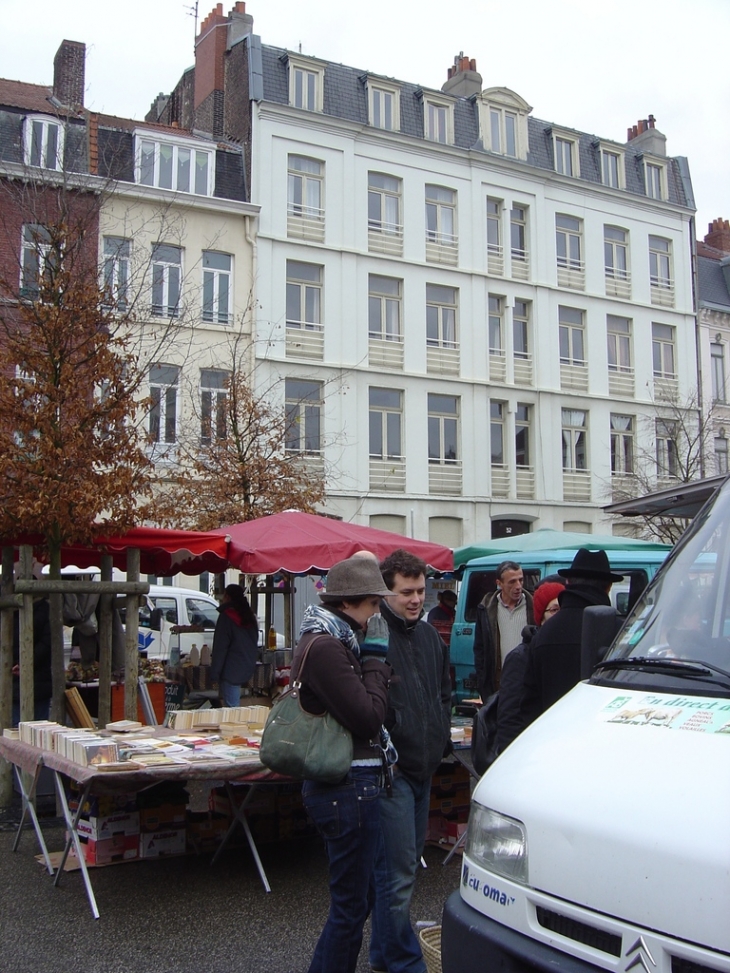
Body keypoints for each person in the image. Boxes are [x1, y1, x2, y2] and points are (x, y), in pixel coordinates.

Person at [294, 556, 394, 973]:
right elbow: (368, 717)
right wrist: (375, 662)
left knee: (358, 900)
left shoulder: (332, 643)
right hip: (347, 788)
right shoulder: (328, 648)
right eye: (374, 604)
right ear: (352, 603)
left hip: (349, 787)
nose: (376, 615)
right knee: (351, 907)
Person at [370, 549, 452, 973]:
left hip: (423, 767)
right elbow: (368, 706)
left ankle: (384, 956)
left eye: (421, 590)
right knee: (397, 872)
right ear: (387, 591)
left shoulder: (427, 637)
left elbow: (443, 691)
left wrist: (438, 740)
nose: (416, 599)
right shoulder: (374, 637)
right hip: (393, 773)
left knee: (403, 869)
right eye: (407, 592)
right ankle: (402, 960)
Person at [519, 549, 623, 731]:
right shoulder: (619, 632)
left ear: (568, 583)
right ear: (607, 587)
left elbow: (529, 705)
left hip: (551, 739)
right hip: (602, 740)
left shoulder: (543, 634)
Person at [496, 578, 564, 753]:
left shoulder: (565, 651)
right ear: (541, 617)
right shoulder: (521, 657)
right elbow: (509, 719)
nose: (560, 616)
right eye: (554, 610)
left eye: (563, 610)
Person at [473, 559, 534, 702]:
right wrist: (483, 685)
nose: (518, 586)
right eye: (512, 582)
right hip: (498, 685)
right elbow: (480, 649)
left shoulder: (533, 604)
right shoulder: (486, 609)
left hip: (528, 684)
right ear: (499, 584)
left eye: (521, 580)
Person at [210, 584, 258, 708]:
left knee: (232, 711)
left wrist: (214, 673)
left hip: (230, 670)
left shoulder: (226, 617)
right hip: (247, 667)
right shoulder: (249, 616)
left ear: (227, 597)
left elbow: (220, 648)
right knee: (235, 708)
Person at [12, 595, 52, 724]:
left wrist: (19, 663)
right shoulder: (47, 610)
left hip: (18, 677)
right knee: (40, 729)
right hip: (39, 677)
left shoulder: (11, 609)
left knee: (17, 729)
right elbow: (47, 643)